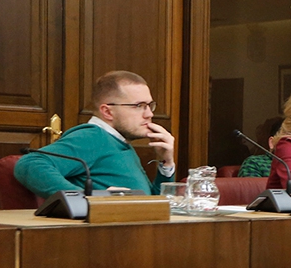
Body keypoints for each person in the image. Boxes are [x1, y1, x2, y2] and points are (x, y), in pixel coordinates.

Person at [15, 71, 175, 197]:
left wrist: (166, 164)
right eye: (139, 106)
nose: (149, 114)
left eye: (149, 105)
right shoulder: (92, 137)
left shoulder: (119, 141)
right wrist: (88, 198)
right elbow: (29, 164)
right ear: (107, 112)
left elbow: (155, 204)